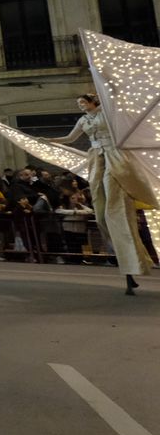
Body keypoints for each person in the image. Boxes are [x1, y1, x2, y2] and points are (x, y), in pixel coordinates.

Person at [47, 93, 157, 294]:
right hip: (96, 158)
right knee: (100, 205)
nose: (80, 105)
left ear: (92, 102)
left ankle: (132, 264)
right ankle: (125, 263)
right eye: (78, 103)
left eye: (82, 102)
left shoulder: (107, 114)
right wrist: (50, 140)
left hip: (113, 156)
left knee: (114, 201)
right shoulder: (83, 120)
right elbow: (70, 138)